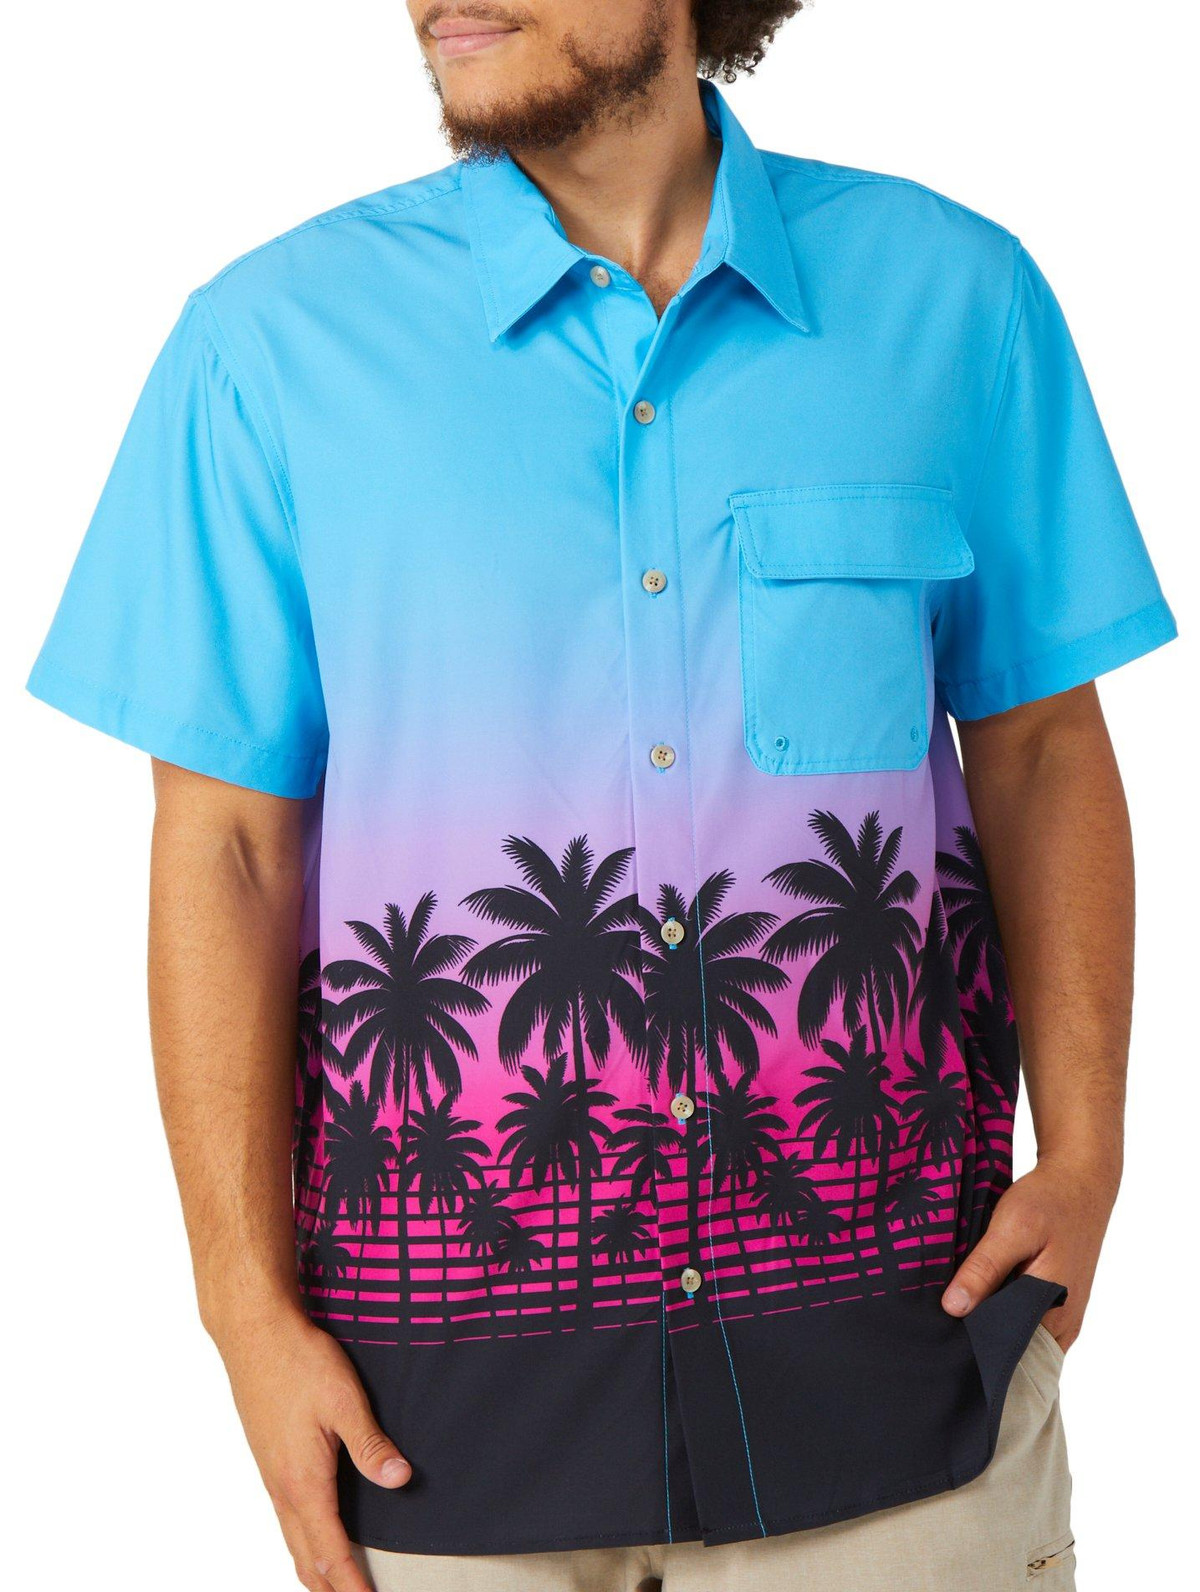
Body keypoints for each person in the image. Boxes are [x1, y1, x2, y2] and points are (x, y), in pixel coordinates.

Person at [28, 3, 1176, 1589]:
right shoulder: (268, 351)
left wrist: (1091, 1151)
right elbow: (224, 848)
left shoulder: (956, 303)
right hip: (433, 1425)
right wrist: (240, 1308)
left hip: (904, 1383)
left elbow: (1042, 745)